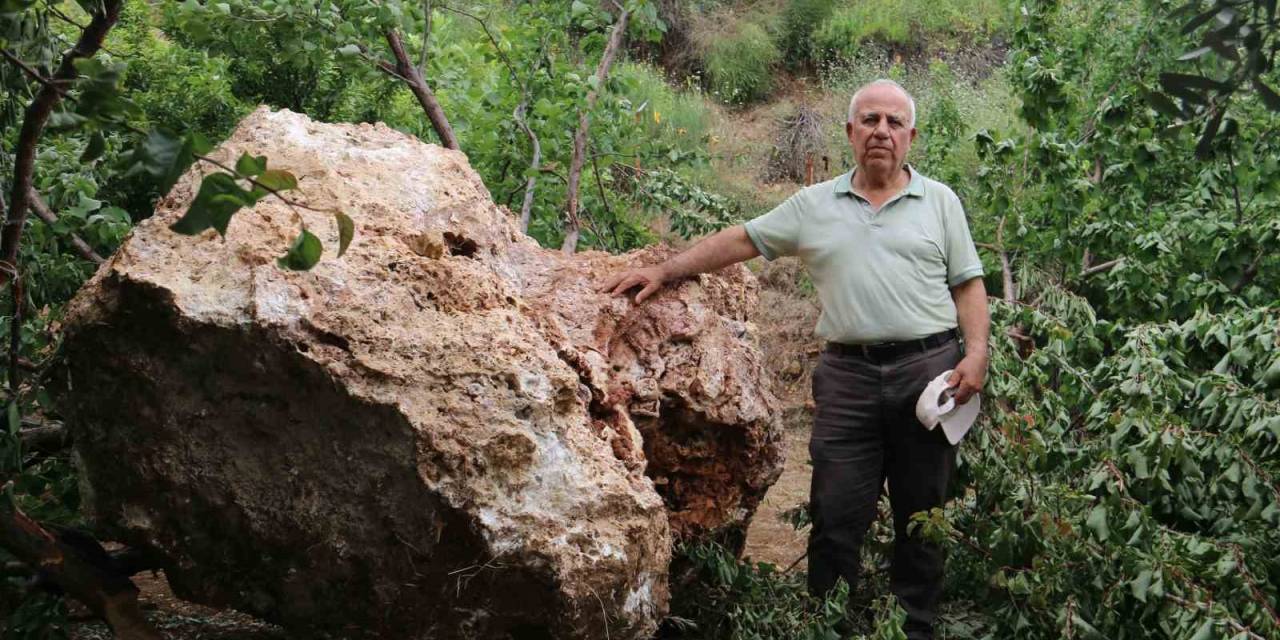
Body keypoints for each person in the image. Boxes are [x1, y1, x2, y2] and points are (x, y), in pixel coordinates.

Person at [597, 79, 990, 639]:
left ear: (911, 136)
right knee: (834, 519)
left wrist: (976, 353)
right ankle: (825, 627)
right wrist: (666, 271)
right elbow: (743, 240)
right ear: (850, 132)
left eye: (894, 123)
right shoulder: (815, 205)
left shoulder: (941, 202)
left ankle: (913, 629)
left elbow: (968, 286)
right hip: (847, 379)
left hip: (928, 373)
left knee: (921, 520)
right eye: (870, 120)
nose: (882, 131)